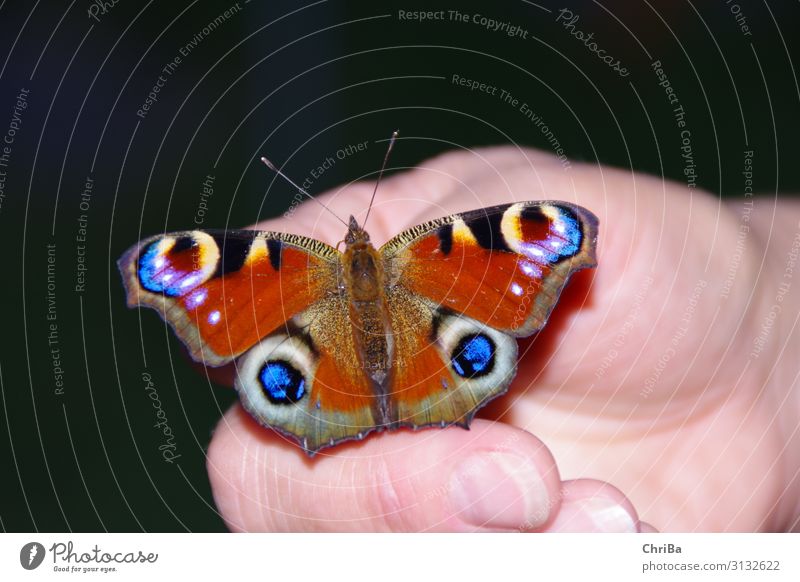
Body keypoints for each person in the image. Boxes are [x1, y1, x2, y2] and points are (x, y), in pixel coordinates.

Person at [206, 146, 799, 532]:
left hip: (348, 344)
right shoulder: (433, 248)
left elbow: (544, 235)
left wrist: (769, 321)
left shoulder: (286, 265)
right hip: (435, 338)